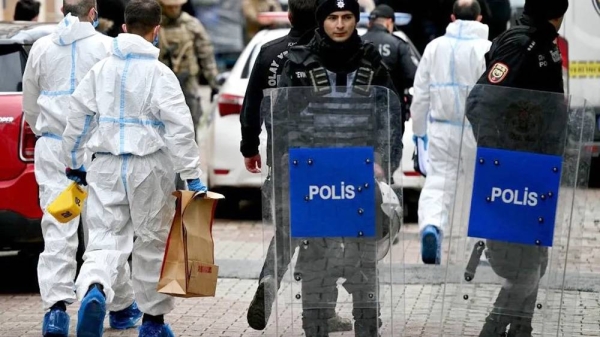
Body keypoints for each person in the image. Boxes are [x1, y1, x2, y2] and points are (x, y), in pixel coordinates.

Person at [60, 1, 208, 336]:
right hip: (149, 168)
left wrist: (73, 162)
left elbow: (77, 119)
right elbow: (179, 128)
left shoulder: (100, 70)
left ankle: (96, 288)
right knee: (152, 243)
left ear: (124, 28)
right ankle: (153, 324)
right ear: (156, 29)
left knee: (104, 239)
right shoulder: (160, 74)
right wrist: (192, 174)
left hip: (106, 166)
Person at [277, 0, 401, 335]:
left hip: (360, 176)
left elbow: (388, 114)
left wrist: (382, 159)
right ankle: (316, 323)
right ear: (322, 21)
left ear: (356, 20)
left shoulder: (371, 60)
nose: (340, 24)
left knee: (362, 256)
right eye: (332, 17)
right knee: (317, 256)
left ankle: (367, 324)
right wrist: (295, 160)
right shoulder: (299, 60)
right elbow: (281, 117)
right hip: (315, 177)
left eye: (347, 17)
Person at [21, 1, 143, 336]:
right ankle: (109, 299)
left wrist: (48, 133)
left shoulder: (42, 48)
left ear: (62, 9)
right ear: (94, 12)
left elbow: (29, 103)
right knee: (104, 229)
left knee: (58, 227)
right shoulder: (107, 48)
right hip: (97, 148)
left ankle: (56, 312)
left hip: (54, 149)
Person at [240, 0, 352, 332]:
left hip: (284, 156)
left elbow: (251, 106)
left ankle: (270, 280)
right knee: (327, 237)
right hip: (329, 158)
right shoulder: (331, 53)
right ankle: (320, 312)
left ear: (289, 15)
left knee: (288, 231)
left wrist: (250, 147)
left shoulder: (269, 51)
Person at [465, 0, 568, 335]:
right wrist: (501, 158)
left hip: (537, 169)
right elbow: (480, 102)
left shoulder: (543, 42)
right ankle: (492, 329)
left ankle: (522, 328)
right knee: (522, 269)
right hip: (513, 171)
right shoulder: (522, 45)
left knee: (537, 259)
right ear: (557, 15)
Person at [410, 0, 491, 265]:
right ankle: (479, 248)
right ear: (480, 18)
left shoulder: (434, 48)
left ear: (452, 17)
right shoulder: (487, 49)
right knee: (479, 187)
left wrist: (419, 132)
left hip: (442, 127)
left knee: (438, 182)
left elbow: (420, 95)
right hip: (476, 130)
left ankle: (432, 226)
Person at [158, 0, 220, 130]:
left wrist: (214, 82)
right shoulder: (155, 26)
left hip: (188, 81)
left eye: (176, 6)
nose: (174, 9)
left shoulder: (191, 24)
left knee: (191, 119)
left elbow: (206, 54)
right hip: (161, 81)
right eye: (170, 7)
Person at [362, 4, 418, 142]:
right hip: (391, 109)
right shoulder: (398, 44)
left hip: (361, 109)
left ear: (370, 22)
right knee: (389, 155)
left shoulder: (358, 43)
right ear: (389, 22)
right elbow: (412, 76)